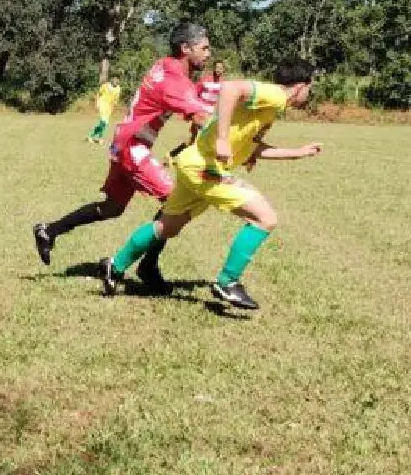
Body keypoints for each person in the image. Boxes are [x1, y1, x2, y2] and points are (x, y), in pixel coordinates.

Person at [101, 58, 323, 310]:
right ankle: (227, 282)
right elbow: (230, 89)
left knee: (167, 226)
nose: (309, 94)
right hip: (204, 168)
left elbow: (253, 147)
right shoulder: (275, 95)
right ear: (299, 86)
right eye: (310, 88)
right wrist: (223, 139)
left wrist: (298, 152)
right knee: (266, 217)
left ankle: (114, 265)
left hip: (194, 164)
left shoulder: (271, 107)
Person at [33, 23, 214, 293]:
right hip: (133, 146)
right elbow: (203, 117)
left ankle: (50, 230)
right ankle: (147, 267)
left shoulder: (165, 66)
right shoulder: (175, 80)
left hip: (123, 142)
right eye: (204, 48)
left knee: (113, 207)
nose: (208, 54)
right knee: (176, 202)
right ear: (185, 49)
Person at [88, 76, 122, 143]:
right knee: (103, 121)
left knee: (104, 123)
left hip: (109, 107)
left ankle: (91, 135)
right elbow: (99, 94)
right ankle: (100, 138)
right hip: (102, 103)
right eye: (114, 79)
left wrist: (114, 105)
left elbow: (116, 99)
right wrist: (97, 103)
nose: (116, 81)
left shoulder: (118, 88)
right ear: (112, 80)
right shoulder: (105, 86)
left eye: (117, 79)